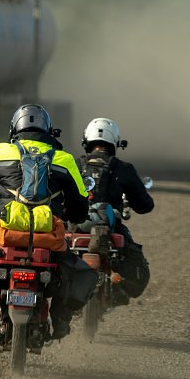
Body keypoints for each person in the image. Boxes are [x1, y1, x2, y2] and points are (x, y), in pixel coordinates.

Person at [0, 103, 91, 340]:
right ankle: (60, 319)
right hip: (48, 240)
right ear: (48, 130)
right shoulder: (65, 160)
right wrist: (68, 214)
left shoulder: (0, 152)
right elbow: (81, 209)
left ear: (14, 128)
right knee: (79, 271)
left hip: (7, 235)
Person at [76, 117, 154, 304]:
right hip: (110, 229)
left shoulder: (75, 165)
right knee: (131, 256)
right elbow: (145, 205)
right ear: (115, 142)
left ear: (87, 140)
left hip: (76, 227)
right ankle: (118, 290)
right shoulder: (123, 169)